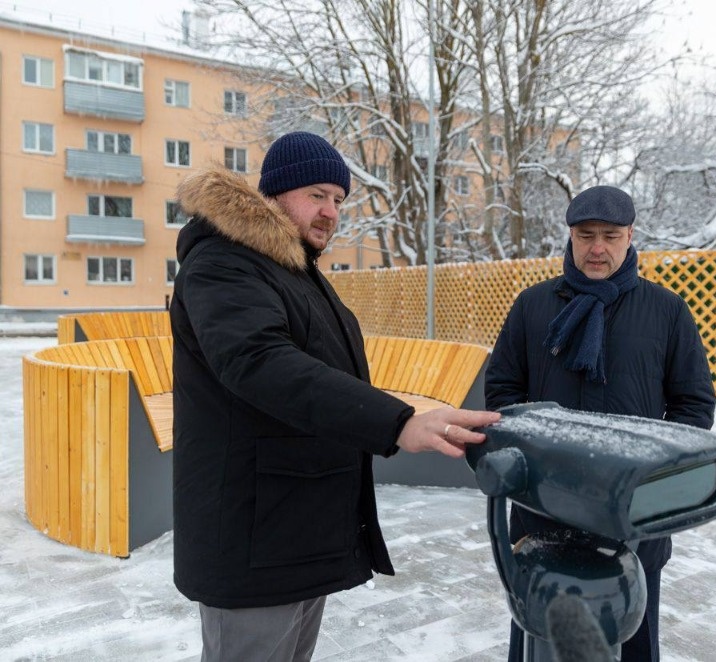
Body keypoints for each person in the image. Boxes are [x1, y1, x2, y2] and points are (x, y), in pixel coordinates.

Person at [169, 131, 500, 661]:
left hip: (293, 529)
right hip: (253, 535)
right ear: (274, 194)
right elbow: (259, 362)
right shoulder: (224, 264)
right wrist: (397, 421)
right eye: (316, 195)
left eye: (339, 199)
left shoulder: (293, 271)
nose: (330, 212)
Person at [485, 185, 716, 662]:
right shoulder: (533, 306)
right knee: (539, 643)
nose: (597, 247)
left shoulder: (667, 310)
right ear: (569, 237)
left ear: (630, 236)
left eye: (610, 235)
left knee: (633, 644)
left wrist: (656, 481)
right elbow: (503, 393)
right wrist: (536, 466)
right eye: (585, 235)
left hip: (633, 518)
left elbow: (693, 407)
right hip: (543, 512)